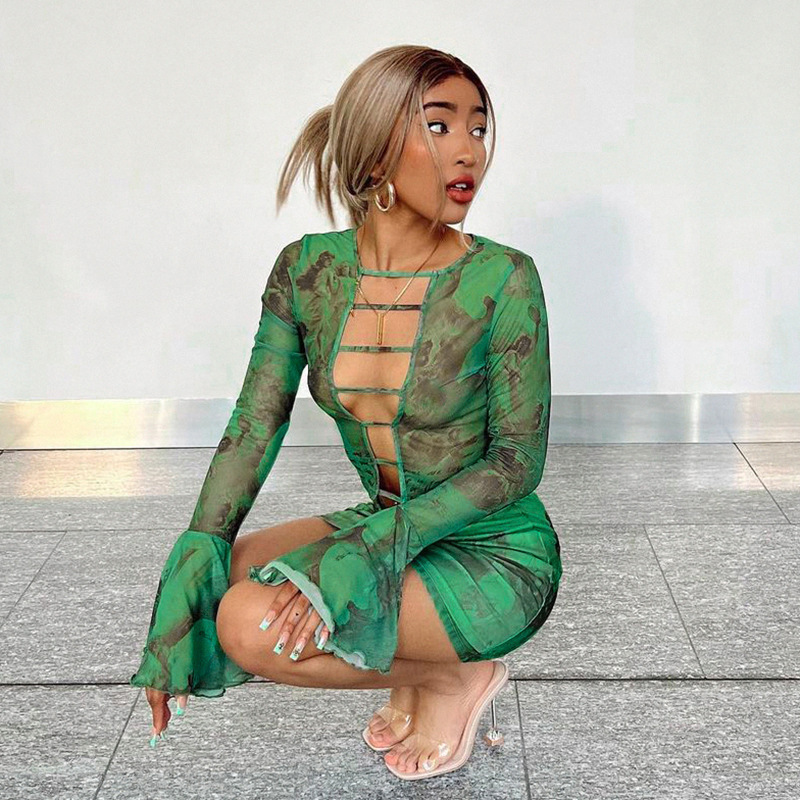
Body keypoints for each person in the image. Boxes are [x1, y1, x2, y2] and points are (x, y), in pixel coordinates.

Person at [130, 44, 563, 780]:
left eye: (478, 127)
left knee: (247, 625)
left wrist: (379, 544)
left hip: (491, 550)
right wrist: (196, 550)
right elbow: (254, 422)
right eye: (439, 125)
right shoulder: (307, 269)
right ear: (375, 147)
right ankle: (420, 664)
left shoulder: (503, 277)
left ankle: (451, 677)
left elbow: (518, 461)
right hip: (384, 521)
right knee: (224, 578)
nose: (469, 151)